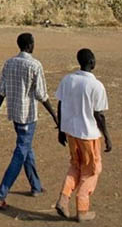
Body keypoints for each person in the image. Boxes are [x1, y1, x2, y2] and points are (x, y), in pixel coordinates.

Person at [0, 33, 58, 209]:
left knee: (26, 149)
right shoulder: (35, 65)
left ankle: (35, 185)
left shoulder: (9, 63)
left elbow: (2, 91)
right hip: (28, 116)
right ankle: (1, 193)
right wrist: (54, 115)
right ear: (30, 45)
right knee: (21, 152)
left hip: (15, 114)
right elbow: (42, 95)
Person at [54, 48, 111, 222]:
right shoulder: (96, 85)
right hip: (88, 134)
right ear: (92, 62)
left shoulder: (68, 80)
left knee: (76, 165)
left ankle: (64, 198)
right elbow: (99, 114)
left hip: (71, 131)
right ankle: (82, 209)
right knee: (92, 170)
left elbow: (60, 104)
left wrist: (61, 129)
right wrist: (107, 136)